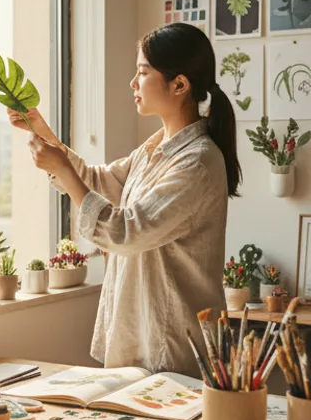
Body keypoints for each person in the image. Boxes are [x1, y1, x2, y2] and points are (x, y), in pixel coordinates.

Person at [17, 23, 239, 376]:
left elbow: (126, 232)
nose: (133, 84)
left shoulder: (198, 160)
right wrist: (43, 133)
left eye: (143, 73)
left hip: (172, 347)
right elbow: (97, 181)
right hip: (143, 339)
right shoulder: (155, 149)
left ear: (180, 85)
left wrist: (64, 170)